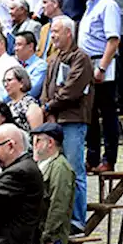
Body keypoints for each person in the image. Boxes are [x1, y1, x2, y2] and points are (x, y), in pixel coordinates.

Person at [41, 16, 93, 232]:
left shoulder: (81, 58)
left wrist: (50, 106)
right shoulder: (54, 59)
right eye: (51, 31)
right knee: (55, 170)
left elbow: (72, 89)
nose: (52, 35)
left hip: (72, 119)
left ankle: (77, 218)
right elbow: (46, 88)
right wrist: (47, 107)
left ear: (69, 33)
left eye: (56, 31)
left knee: (74, 168)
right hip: (56, 119)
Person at [79, 0, 121, 173]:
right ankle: (93, 157)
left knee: (107, 112)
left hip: (102, 63)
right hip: (88, 64)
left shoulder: (108, 5)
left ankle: (109, 158)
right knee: (91, 114)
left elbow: (113, 40)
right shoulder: (90, 7)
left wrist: (102, 67)